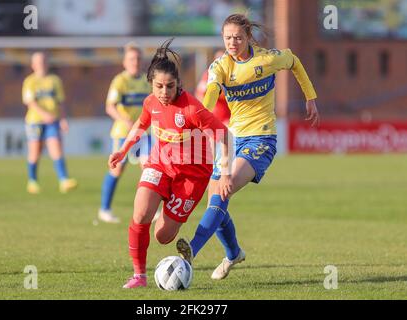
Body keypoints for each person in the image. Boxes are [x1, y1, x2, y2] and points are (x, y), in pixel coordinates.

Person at [176, 13, 320, 280]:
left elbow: (294, 61)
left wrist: (310, 97)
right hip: (231, 140)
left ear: (248, 37)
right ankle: (234, 255)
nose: (232, 42)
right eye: (228, 38)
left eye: (238, 38)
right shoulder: (219, 66)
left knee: (220, 193)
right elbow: (211, 92)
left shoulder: (267, 59)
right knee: (216, 203)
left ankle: (191, 252)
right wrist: (201, 118)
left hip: (261, 140)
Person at [108, 39, 232, 289]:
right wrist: (123, 150)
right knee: (141, 213)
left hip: (192, 175)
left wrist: (226, 172)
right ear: (151, 84)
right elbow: (140, 125)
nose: (164, 92)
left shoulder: (191, 109)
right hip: (161, 164)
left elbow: (224, 134)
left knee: (163, 236)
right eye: (158, 86)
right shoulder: (150, 102)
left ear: (178, 84)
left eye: (170, 86)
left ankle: (213, 218)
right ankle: (139, 276)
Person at [98, 43, 152, 224]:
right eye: (131, 59)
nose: (135, 62)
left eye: (137, 58)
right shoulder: (119, 81)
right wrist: (126, 121)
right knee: (117, 169)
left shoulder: (147, 81)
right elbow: (110, 107)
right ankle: (104, 209)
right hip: (123, 133)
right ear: (124, 62)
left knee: (149, 169)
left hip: (144, 133)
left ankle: (151, 209)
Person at [22, 52, 78, 194]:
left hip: (52, 121)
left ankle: (64, 180)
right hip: (35, 121)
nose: (41, 64)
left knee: (56, 149)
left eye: (44, 61)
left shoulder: (54, 80)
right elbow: (30, 102)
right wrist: (44, 114)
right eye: (38, 62)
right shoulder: (30, 81)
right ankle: (32, 180)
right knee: (35, 151)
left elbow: (60, 101)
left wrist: (63, 118)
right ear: (33, 65)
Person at [195, 49, 230, 126]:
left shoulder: (232, 74)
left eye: (223, 59)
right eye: (218, 60)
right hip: (213, 118)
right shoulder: (209, 74)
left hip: (229, 120)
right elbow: (200, 93)